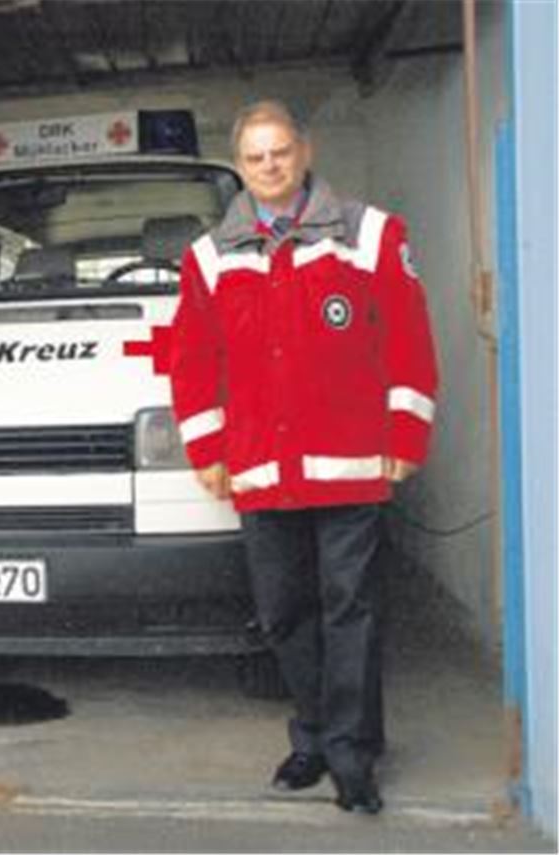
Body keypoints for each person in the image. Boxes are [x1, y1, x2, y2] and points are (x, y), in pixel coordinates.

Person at [168, 100, 438, 814]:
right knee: (284, 614)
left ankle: (351, 756)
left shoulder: (369, 234)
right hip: (261, 470)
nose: (270, 166)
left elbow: (408, 336)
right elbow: (192, 361)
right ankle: (314, 735)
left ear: (305, 151)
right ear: (240, 166)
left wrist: (406, 434)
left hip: (351, 465)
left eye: (280, 151)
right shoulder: (209, 257)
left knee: (352, 612)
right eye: (255, 157)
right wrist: (207, 448)